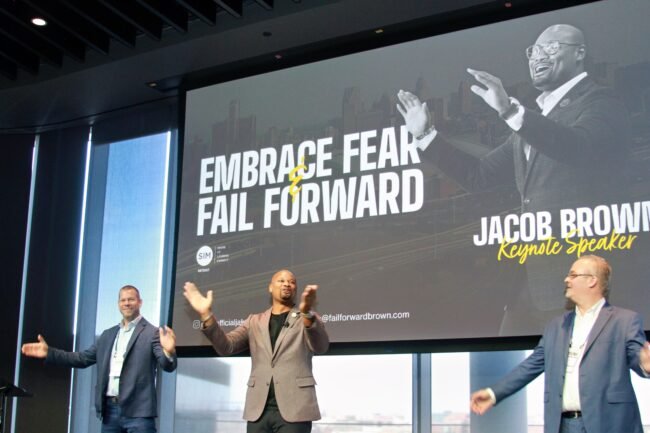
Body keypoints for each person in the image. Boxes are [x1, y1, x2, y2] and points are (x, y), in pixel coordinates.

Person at [396, 24, 631, 334]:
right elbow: (480, 175)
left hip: (579, 288)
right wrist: (426, 136)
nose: (538, 57)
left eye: (551, 48)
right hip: (527, 285)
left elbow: (579, 147)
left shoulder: (600, 101)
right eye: (533, 51)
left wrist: (509, 111)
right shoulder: (533, 119)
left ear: (580, 53)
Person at [470, 255, 650, 433]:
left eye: (573, 275)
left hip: (609, 424)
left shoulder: (624, 320)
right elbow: (530, 366)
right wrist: (494, 393)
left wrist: (645, 365)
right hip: (563, 425)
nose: (566, 279)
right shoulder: (556, 326)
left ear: (592, 281)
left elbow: (638, 357)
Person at [183, 269, 329, 433]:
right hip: (258, 411)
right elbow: (226, 346)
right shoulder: (254, 321)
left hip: (295, 410)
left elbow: (321, 346)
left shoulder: (306, 317)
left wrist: (307, 313)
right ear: (270, 287)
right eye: (281, 281)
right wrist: (206, 314)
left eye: (292, 282)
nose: (287, 284)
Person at [21, 285, 177, 433]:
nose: (126, 303)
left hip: (139, 413)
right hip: (110, 411)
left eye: (131, 299)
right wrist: (50, 353)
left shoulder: (152, 332)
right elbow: (82, 358)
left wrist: (169, 351)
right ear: (118, 304)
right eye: (123, 300)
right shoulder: (108, 335)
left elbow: (167, 365)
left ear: (140, 302)